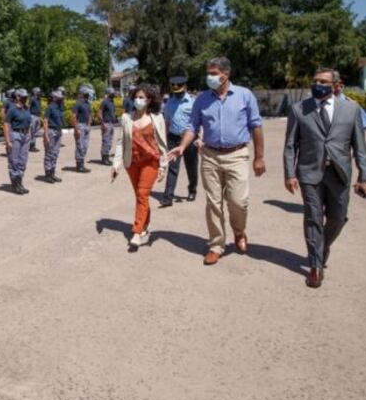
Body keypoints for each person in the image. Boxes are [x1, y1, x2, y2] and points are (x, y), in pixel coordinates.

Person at [169, 57, 265, 266]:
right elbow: (192, 126)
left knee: (238, 202)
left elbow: (256, 126)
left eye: (213, 73)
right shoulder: (202, 99)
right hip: (210, 155)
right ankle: (216, 245)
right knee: (213, 203)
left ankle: (239, 232)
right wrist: (182, 146)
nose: (209, 77)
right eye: (208, 73)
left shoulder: (244, 95)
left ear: (225, 74)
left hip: (237, 155)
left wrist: (259, 157)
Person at [284, 68, 366, 288]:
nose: (318, 84)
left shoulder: (351, 109)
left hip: (339, 173)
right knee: (313, 218)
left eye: (323, 81)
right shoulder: (299, 109)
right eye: (315, 80)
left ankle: (321, 247)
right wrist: (289, 173)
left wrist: (365, 176)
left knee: (338, 218)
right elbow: (290, 145)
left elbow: (360, 146)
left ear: (335, 85)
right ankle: (316, 266)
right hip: (309, 172)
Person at [111, 85, 169, 251]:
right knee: (140, 196)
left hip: (150, 162)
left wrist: (163, 166)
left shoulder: (157, 118)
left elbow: (162, 144)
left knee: (143, 194)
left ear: (149, 100)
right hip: (132, 163)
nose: (138, 100)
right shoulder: (126, 118)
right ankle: (144, 225)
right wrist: (116, 164)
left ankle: (137, 232)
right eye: (136, 97)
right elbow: (121, 142)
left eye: (142, 97)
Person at [160, 75, 198, 207]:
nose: (177, 93)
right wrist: (164, 139)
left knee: (191, 166)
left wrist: (201, 137)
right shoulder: (169, 102)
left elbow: (198, 122)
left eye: (179, 91)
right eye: (174, 91)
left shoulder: (193, 102)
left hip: (190, 139)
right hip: (173, 138)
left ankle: (192, 189)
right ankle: (168, 197)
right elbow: (167, 121)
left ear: (185, 87)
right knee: (172, 167)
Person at [3, 88, 32, 194]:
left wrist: (29, 133)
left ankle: (20, 182)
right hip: (15, 135)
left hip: (25, 135)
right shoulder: (12, 109)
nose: (25, 99)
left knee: (23, 160)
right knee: (14, 160)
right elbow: (6, 124)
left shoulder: (26, 108)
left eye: (26, 97)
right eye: (23, 97)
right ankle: (15, 184)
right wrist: (8, 141)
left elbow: (28, 122)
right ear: (18, 97)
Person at [42, 89, 66, 183]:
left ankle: (52, 173)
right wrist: (46, 135)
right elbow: (45, 121)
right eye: (59, 98)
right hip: (51, 131)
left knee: (55, 153)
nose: (61, 99)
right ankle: (48, 174)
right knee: (49, 153)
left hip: (58, 131)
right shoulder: (50, 107)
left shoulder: (59, 107)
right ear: (54, 98)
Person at [72, 86, 94, 173]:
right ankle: (79, 165)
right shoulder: (78, 103)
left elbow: (89, 115)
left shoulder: (87, 103)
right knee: (80, 146)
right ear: (82, 93)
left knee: (85, 146)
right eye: (86, 93)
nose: (88, 95)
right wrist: (76, 128)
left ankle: (82, 163)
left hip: (86, 126)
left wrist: (89, 125)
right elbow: (74, 116)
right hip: (80, 125)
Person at [99, 88, 117, 165]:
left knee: (109, 142)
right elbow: (99, 113)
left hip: (111, 124)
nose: (114, 94)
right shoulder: (104, 102)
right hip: (106, 124)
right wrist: (102, 124)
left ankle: (107, 157)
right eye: (112, 93)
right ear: (109, 93)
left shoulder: (112, 102)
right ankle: (104, 159)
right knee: (106, 141)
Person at [28, 88, 43, 152]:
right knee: (32, 132)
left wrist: (39, 117)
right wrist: (28, 116)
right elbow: (28, 107)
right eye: (38, 92)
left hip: (37, 116)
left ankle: (33, 145)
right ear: (35, 92)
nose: (40, 93)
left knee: (35, 132)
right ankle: (31, 146)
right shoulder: (32, 99)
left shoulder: (39, 99)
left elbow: (39, 108)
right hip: (32, 116)